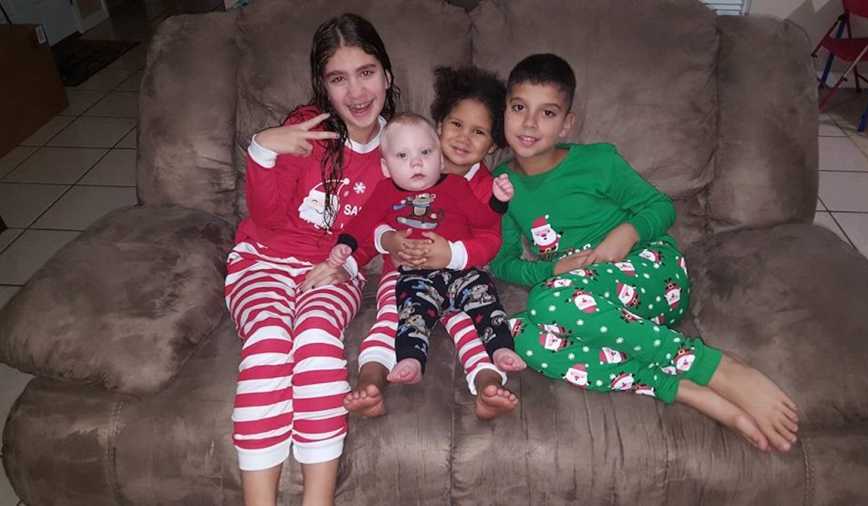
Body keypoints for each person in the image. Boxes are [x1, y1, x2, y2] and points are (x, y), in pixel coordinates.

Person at [490, 53, 801, 453]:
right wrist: (553, 266)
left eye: (547, 112)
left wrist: (626, 232)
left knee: (549, 301)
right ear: (505, 112)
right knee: (516, 336)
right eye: (519, 108)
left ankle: (716, 367)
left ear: (567, 122)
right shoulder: (501, 184)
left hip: (652, 271)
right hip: (590, 302)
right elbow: (502, 261)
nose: (529, 124)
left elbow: (660, 207)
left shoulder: (598, 161)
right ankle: (680, 388)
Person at [223, 13, 400, 506]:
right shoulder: (307, 128)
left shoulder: (399, 150)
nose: (357, 92)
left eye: (366, 72)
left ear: (387, 75)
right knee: (269, 340)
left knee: (319, 341)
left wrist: (345, 262)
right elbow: (269, 217)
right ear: (323, 86)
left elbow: (377, 235)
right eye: (338, 78)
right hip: (262, 258)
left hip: (333, 270)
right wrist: (262, 149)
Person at [344, 66, 523, 420]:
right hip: (404, 276)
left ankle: (488, 385)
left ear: (492, 145)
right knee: (392, 319)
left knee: (472, 325)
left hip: (462, 275)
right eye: (456, 125)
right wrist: (383, 242)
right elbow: (369, 222)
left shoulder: (487, 188)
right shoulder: (409, 167)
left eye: (479, 132)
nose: (464, 138)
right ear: (439, 127)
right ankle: (371, 383)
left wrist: (453, 254)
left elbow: (490, 239)